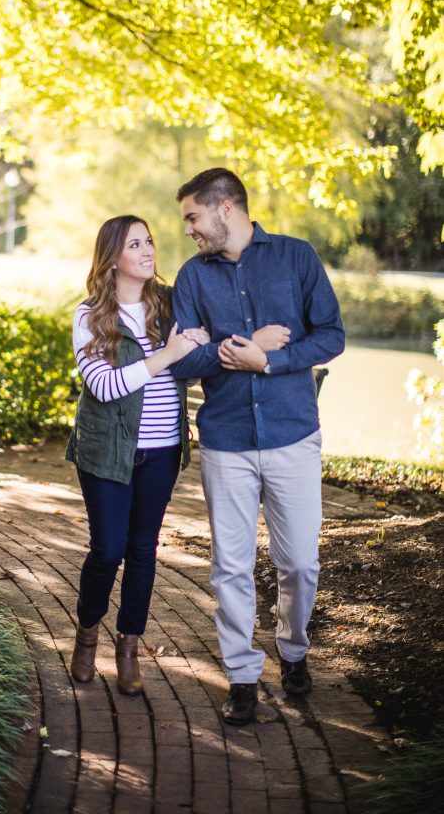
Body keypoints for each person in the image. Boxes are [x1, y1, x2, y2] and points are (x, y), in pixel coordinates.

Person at [169, 168, 345, 726]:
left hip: (293, 432)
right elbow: (184, 357)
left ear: (226, 209)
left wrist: (268, 360)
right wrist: (237, 351)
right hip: (226, 440)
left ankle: (293, 652)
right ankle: (242, 675)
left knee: (300, 562)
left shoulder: (296, 258)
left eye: (193, 217)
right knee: (231, 567)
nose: (190, 231)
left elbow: (331, 335)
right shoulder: (192, 277)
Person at [66, 215, 208, 695]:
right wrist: (166, 356)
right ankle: (87, 638)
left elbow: (198, 348)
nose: (148, 250)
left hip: (164, 450)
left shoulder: (169, 307)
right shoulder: (90, 317)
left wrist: (197, 343)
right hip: (107, 453)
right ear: (113, 257)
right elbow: (104, 387)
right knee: (107, 550)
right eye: (135, 243)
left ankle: (129, 648)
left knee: (143, 550)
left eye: (150, 240)